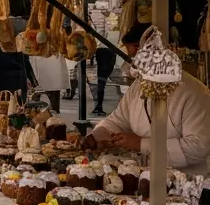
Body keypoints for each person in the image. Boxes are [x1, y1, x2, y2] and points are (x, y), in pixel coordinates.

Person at [83, 24, 210, 172]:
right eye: (133, 56)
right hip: (143, 175)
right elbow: (118, 120)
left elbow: (199, 146)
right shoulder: (138, 86)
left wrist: (141, 144)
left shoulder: (193, 92)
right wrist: (96, 136)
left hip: (186, 179)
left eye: (138, 51)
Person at [92, 45, 117, 116]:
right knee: (102, 80)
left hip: (102, 49)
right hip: (108, 50)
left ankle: (98, 106)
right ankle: (98, 106)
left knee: (101, 80)